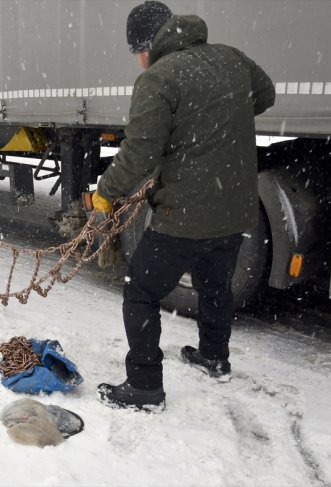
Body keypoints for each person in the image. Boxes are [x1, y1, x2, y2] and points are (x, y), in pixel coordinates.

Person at [92, 1, 275, 410]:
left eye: (135, 52)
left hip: (186, 214)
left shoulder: (158, 79)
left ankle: (143, 386)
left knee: (140, 289)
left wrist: (107, 191)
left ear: (145, 45)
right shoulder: (231, 58)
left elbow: (139, 153)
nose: (138, 61)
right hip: (234, 210)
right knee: (214, 284)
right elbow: (265, 95)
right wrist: (220, 112)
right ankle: (213, 357)